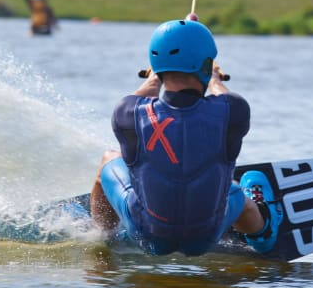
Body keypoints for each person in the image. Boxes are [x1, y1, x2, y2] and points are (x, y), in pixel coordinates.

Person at [90, 19, 283, 256]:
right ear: (204, 65)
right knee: (236, 192)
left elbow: (139, 96)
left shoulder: (127, 113)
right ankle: (263, 234)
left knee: (108, 158)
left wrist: (156, 76)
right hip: (203, 239)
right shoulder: (234, 111)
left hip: (146, 236)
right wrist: (213, 78)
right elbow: (221, 95)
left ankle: (103, 237)